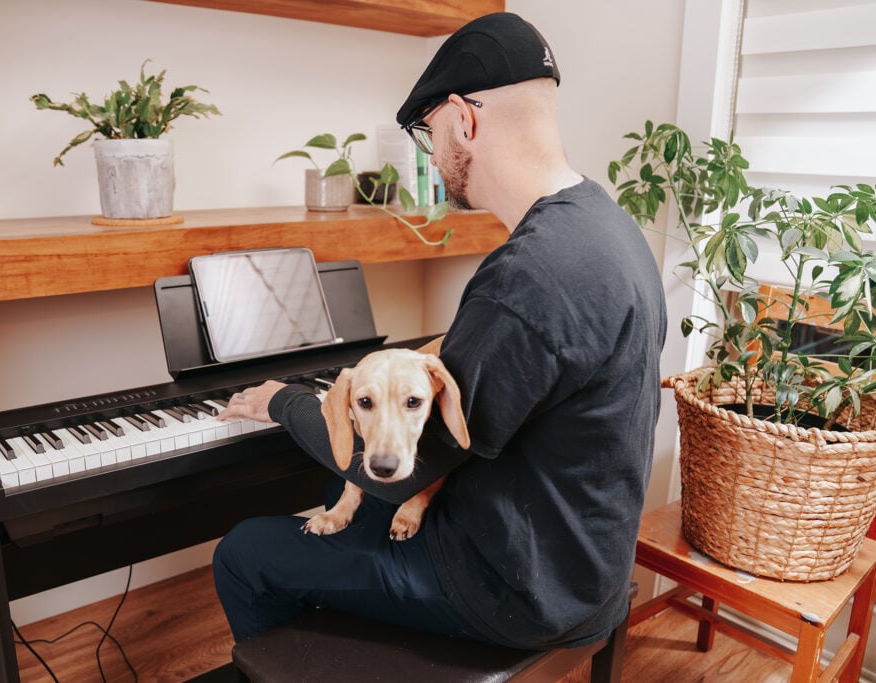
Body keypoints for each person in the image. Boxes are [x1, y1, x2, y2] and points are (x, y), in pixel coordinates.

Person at [213, 11, 666, 650]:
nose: (433, 155)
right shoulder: (608, 227)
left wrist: (282, 401)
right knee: (339, 486)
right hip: (583, 561)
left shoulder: (530, 274)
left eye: (428, 134)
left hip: (515, 591)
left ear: (463, 119)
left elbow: (406, 468)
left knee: (243, 552)